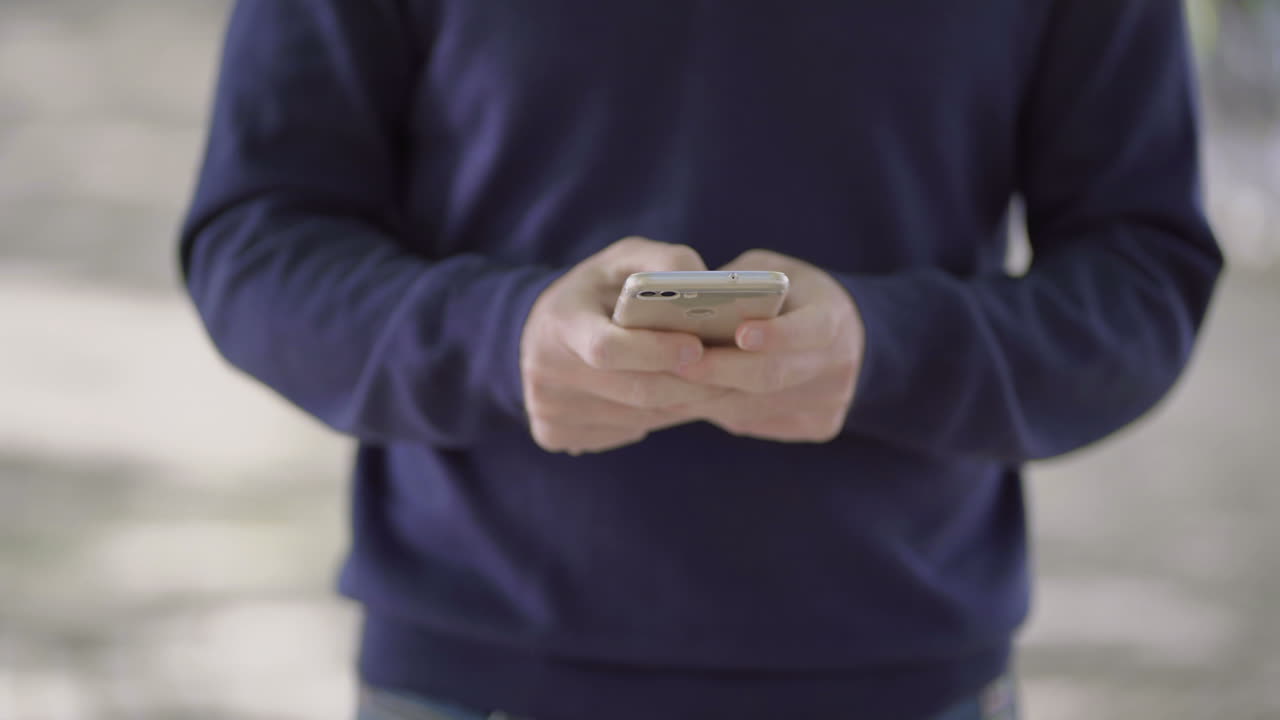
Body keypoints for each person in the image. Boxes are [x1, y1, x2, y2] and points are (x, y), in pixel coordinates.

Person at [179, 2, 1222, 719]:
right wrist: (500, 337)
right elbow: (259, 236)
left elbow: (1141, 275)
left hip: (903, 673)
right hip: (474, 670)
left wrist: (888, 350)